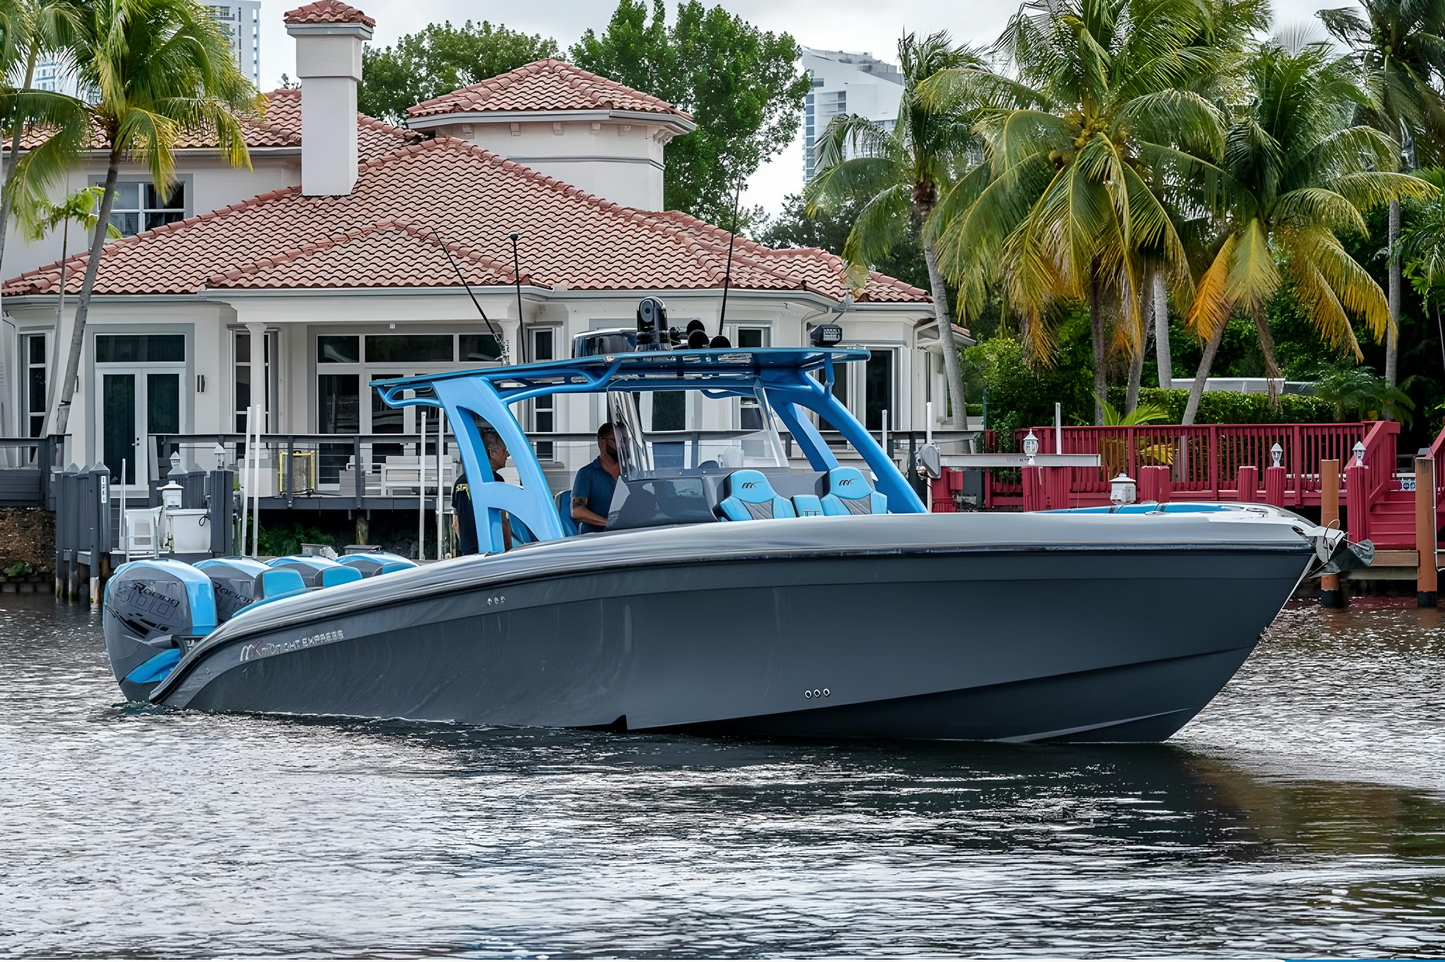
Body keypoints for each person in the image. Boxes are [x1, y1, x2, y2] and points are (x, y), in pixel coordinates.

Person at [453, 429, 524, 554]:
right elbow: (502, 522)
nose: (507, 455)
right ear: (492, 453)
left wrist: (467, 546)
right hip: (491, 554)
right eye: (503, 450)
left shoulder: (460, 482)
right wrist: (508, 549)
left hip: (468, 556)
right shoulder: (496, 481)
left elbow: (456, 524)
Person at [571, 422, 620, 533]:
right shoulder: (586, 474)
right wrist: (609, 523)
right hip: (596, 539)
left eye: (626, 441)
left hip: (626, 537)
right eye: (616, 440)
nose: (622, 445)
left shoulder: (632, 472)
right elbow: (577, 511)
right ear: (601, 442)